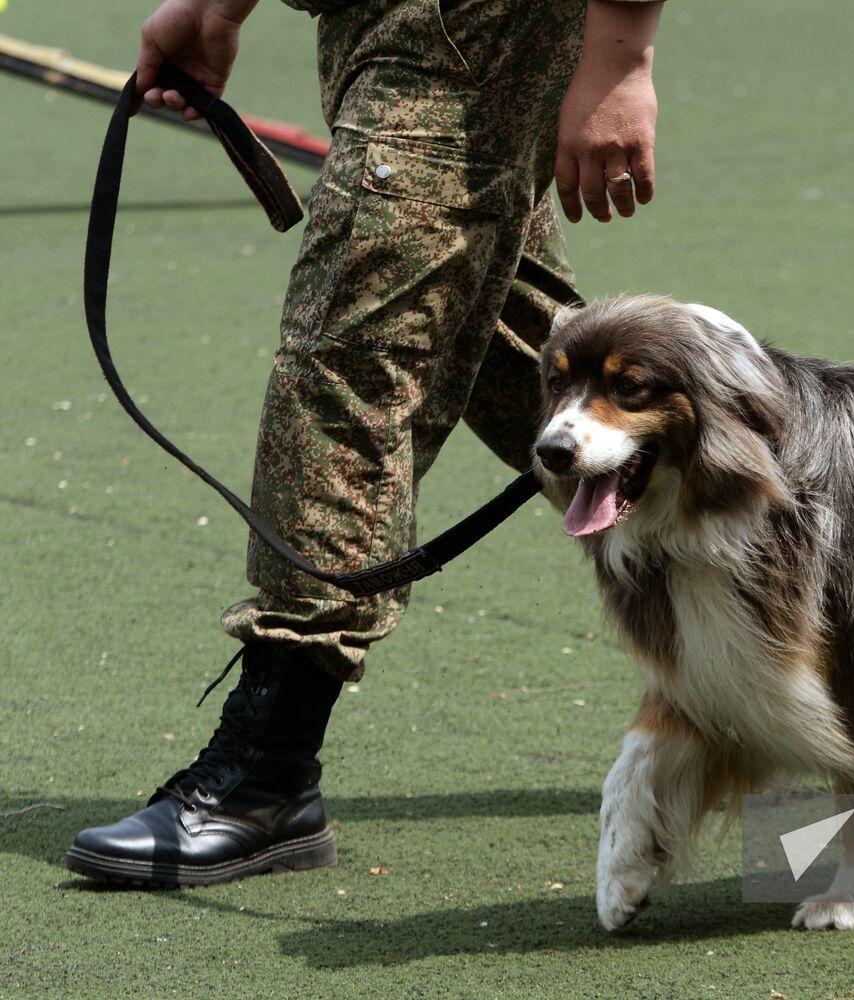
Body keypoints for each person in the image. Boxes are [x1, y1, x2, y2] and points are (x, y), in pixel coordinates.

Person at [65, 0, 663, 886]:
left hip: (469, 22)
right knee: (510, 336)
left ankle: (266, 769)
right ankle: (831, 575)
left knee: (347, 368)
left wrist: (620, 58)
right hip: (381, 19)